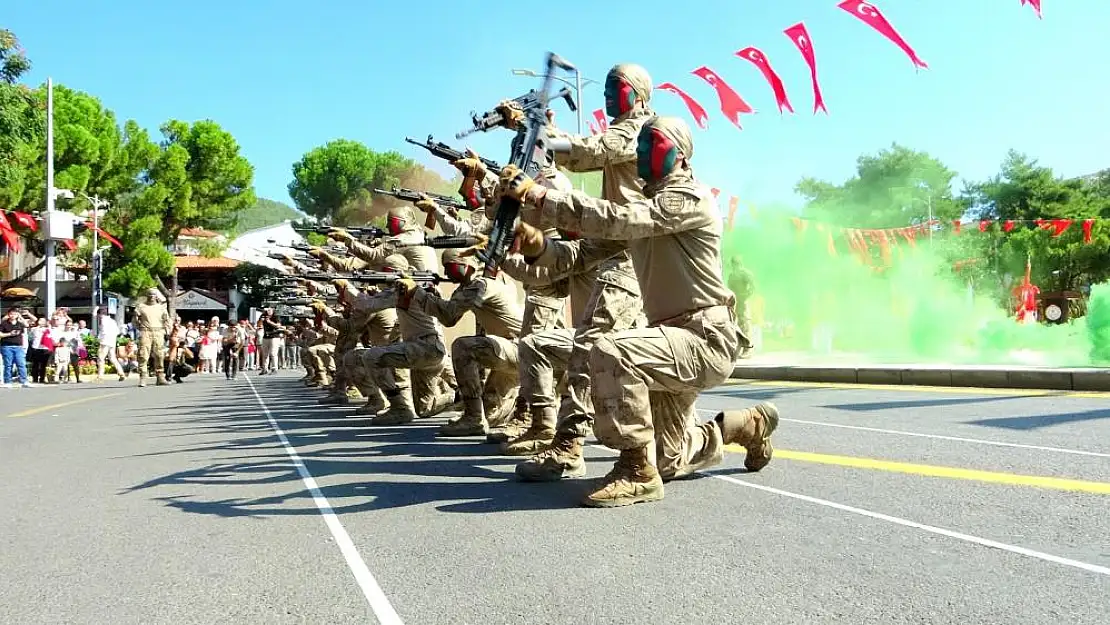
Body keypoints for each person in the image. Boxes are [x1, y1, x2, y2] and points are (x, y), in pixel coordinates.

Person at [500, 115, 779, 507]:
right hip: (671, 340)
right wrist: (536, 246)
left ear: (680, 156)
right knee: (670, 456)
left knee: (613, 351)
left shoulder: (688, 198)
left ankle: (636, 472)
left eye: (652, 144)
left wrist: (542, 198)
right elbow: (582, 253)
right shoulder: (646, 210)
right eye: (641, 144)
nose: (641, 151)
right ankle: (746, 425)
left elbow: (621, 218)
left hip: (704, 338)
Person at [132, 287, 171, 386]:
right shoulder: (141, 306)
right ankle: (143, 377)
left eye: (153, 295)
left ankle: (160, 376)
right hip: (145, 331)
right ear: (147, 296)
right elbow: (135, 320)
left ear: (156, 296)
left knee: (159, 355)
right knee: (143, 355)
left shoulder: (161, 307)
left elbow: (166, 320)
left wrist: (167, 332)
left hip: (158, 331)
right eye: (149, 295)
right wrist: (139, 328)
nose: (151, 297)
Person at [0, 307, 31, 388]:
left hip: (18, 346)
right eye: (11, 314)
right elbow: (0, 334)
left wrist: (21, 317)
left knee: (21, 364)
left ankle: (24, 381)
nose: (13, 315)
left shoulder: (20, 323)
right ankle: (8, 381)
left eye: (15, 314)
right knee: (8, 365)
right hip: (6, 346)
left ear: (17, 315)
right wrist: (10, 334)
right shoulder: (4, 323)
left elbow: (27, 325)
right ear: (8, 314)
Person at [95, 307, 125, 382]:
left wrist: (95, 309)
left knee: (101, 358)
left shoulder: (102, 318)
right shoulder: (112, 321)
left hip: (104, 341)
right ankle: (121, 373)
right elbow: (117, 332)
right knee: (112, 358)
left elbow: (95, 316)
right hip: (112, 341)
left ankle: (100, 376)